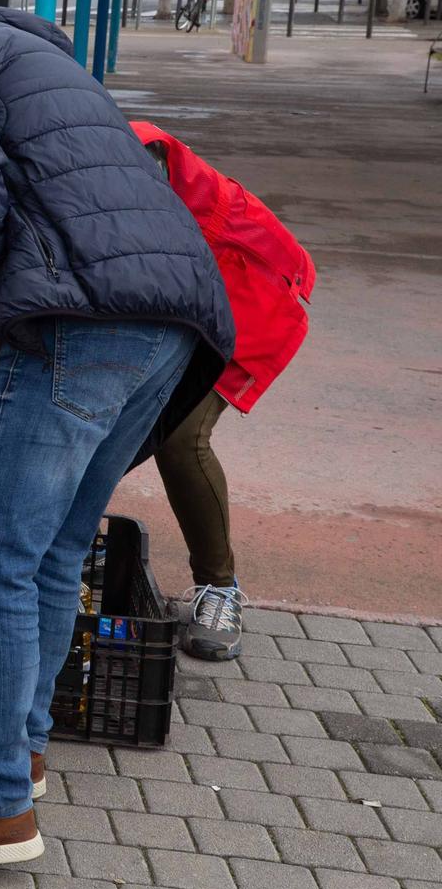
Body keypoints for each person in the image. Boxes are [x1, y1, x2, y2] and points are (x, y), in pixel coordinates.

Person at [0, 4, 234, 872]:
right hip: (166, 321)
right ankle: (14, 741)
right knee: (53, 550)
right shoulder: (27, 57)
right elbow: (50, 223)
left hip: (75, 320)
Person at [131, 120, 316, 661]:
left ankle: (220, 588)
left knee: (181, 437)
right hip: (190, 296)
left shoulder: (146, 168)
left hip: (250, 301)